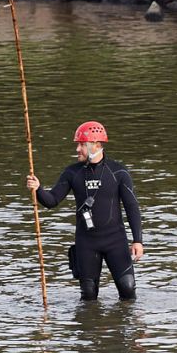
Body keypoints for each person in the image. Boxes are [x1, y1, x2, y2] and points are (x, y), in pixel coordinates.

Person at [25, 121, 145, 301]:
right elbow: (52, 200)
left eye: (81, 145)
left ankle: (124, 326)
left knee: (128, 291)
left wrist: (138, 241)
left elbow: (132, 207)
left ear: (96, 145)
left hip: (116, 241)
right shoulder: (73, 172)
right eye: (77, 145)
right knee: (88, 296)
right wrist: (38, 189)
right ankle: (89, 328)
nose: (77, 149)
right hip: (87, 242)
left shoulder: (118, 172)